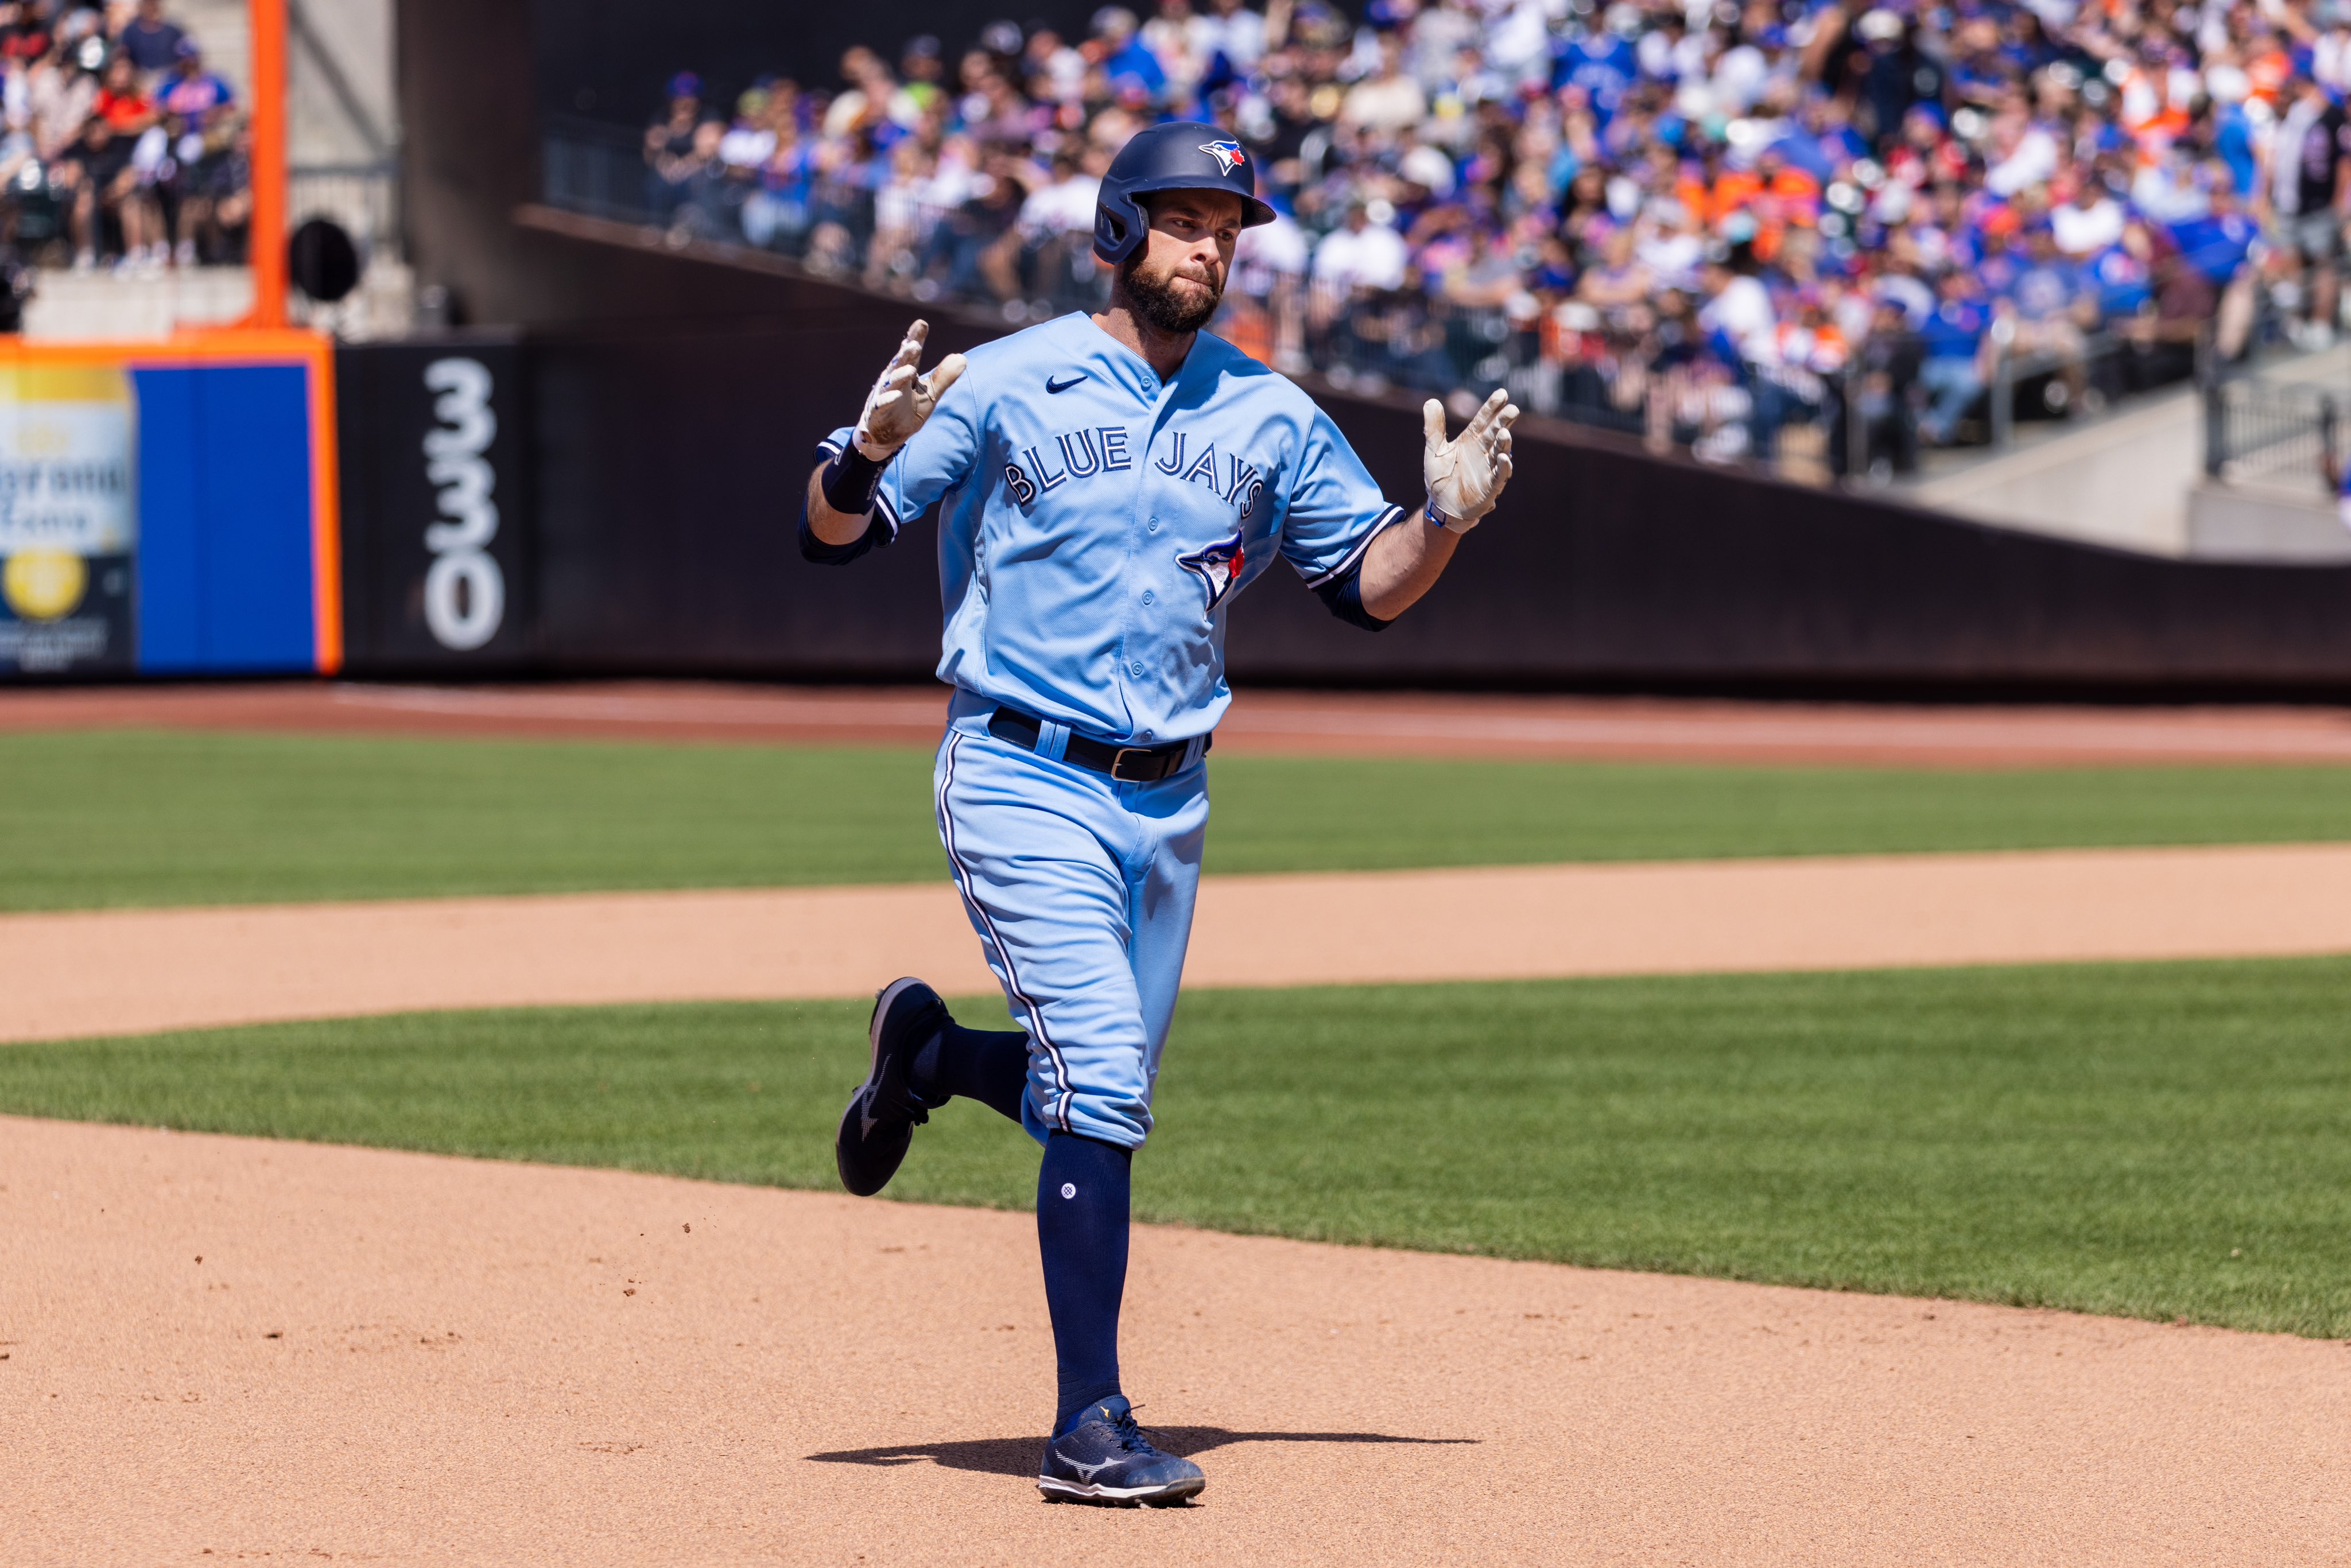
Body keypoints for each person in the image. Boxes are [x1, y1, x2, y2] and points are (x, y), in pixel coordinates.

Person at [798, 120, 1519, 1507]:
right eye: (1183, 217)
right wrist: (858, 460)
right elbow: (831, 538)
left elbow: (1362, 589)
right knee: (1106, 1079)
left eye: (1228, 225)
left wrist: (1443, 526)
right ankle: (1089, 1423)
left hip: (1169, 799)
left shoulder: (1267, 412)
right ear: (1117, 228)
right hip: (1019, 768)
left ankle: (931, 1056)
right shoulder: (1001, 381)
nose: (1210, 244)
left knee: (1097, 1090)